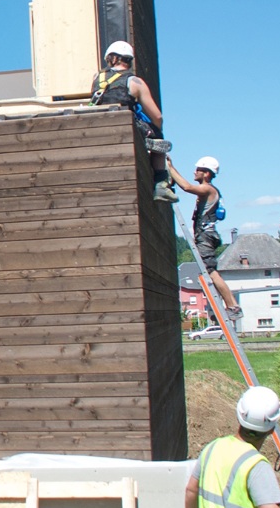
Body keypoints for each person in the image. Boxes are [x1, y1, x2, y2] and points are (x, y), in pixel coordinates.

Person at [90, 41, 174, 202]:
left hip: (99, 125)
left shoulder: (96, 78)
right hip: (126, 127)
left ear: (111, 58)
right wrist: (155, 130)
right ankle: (161, 184)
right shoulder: (135, 82)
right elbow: (157, 117)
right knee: (159, 139)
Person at [169, 155, 239, 318]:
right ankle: (231, 304)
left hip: (205, 235)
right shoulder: (210, 191)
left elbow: (186, 187)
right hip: (207, 235)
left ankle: (232, 305)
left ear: (207, 173)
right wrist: (172, 169)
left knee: (210, 271)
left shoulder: (208, 189)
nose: (195, 171)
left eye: (198, 169)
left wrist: (170, 168)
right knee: (209, 270)